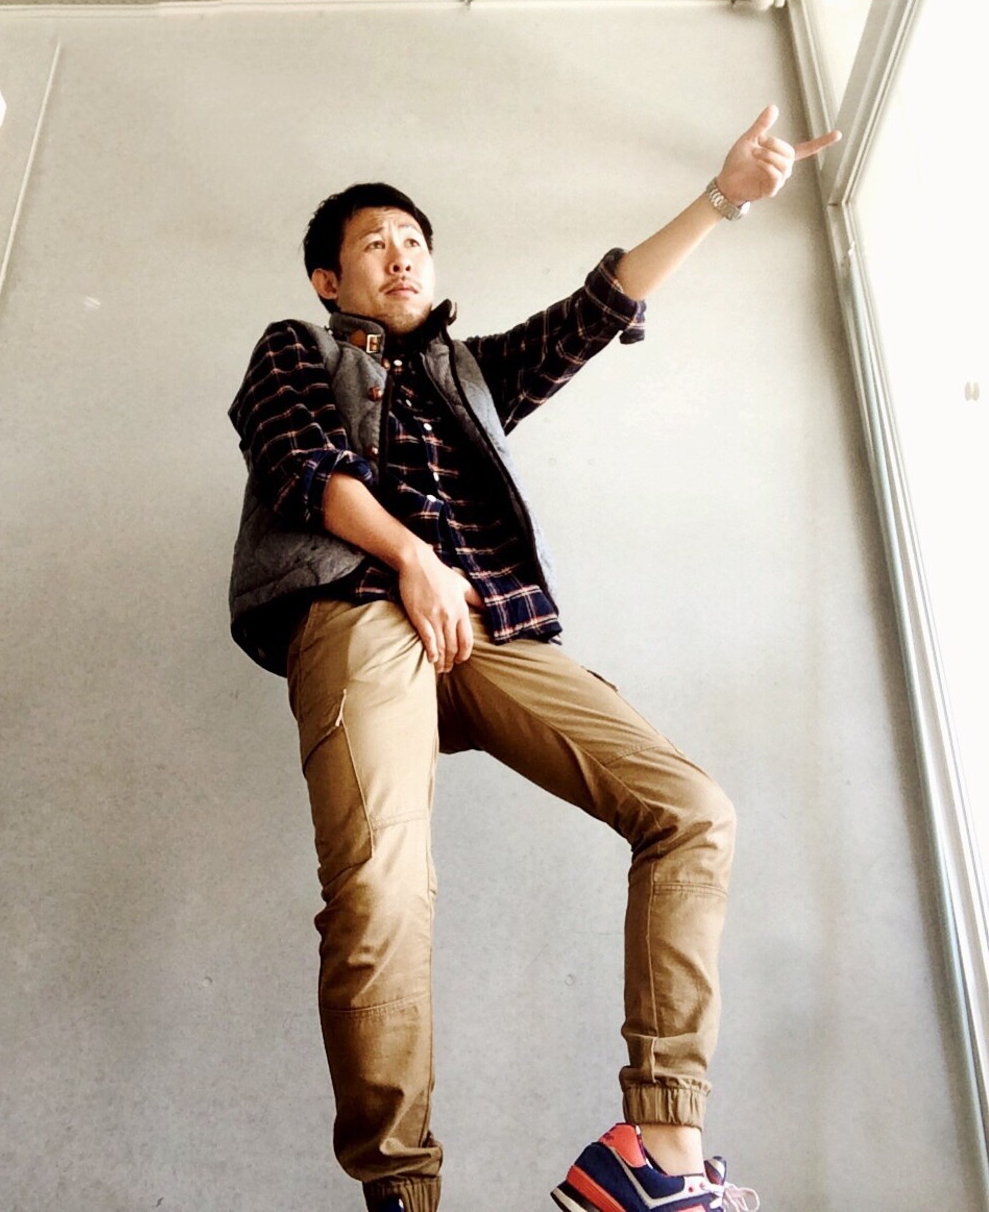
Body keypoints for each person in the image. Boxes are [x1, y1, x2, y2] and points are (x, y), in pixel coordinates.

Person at [226, 105, 840, 1212]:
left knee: (691, 810)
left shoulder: (468, 373)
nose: (401, 255)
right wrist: (413, 558)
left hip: (488, 629)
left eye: (415, 241)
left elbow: (593, 313)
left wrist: (721, 198)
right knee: (382, 889)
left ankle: (656, 1150)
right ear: (328, 278)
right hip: (361, 609)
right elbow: (303, 465)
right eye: (375, 243)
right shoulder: (295, 347)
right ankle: (403, 1190)